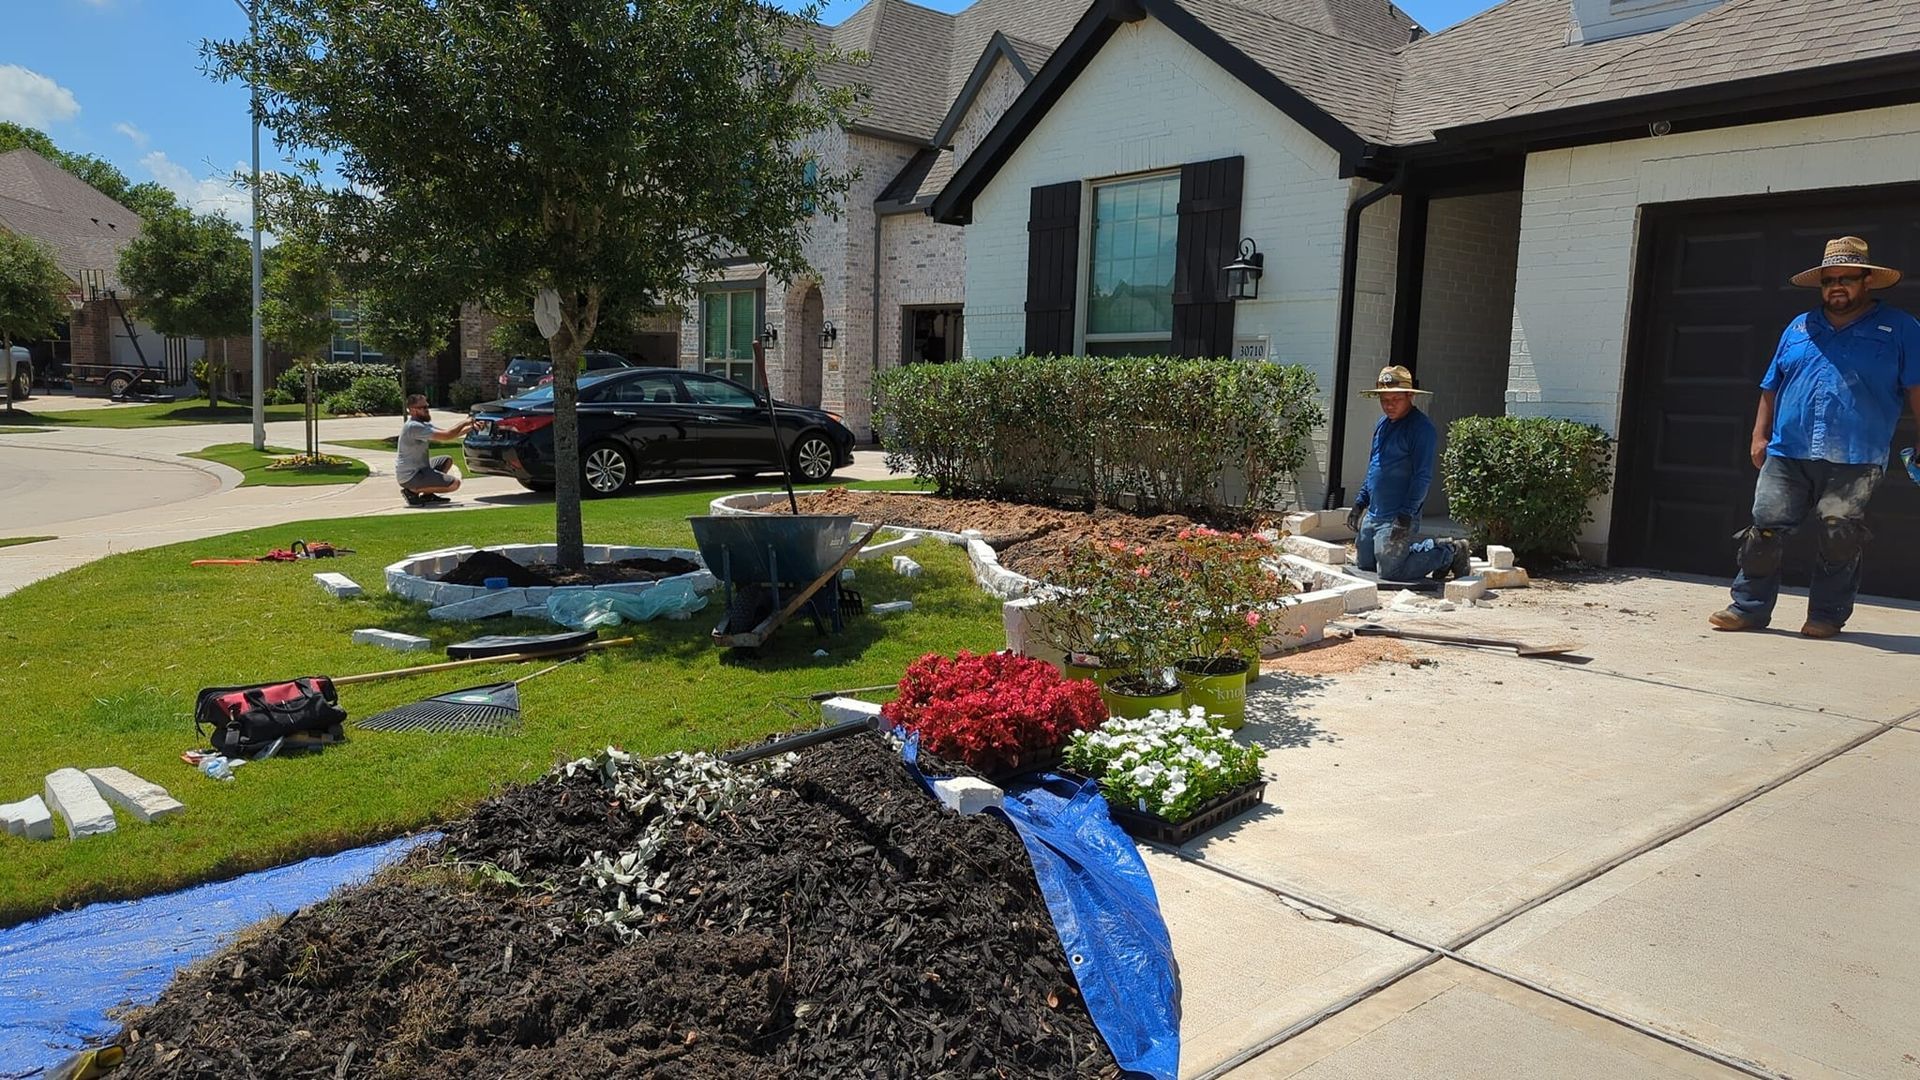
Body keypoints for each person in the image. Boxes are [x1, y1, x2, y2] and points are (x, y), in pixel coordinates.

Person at [1711, 236, 1920, 638]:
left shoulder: (1901, 329)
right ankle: (1748, 608)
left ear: (1867, 281)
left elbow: (1917, 389)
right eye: (1828, 280)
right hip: (1788, 451)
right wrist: (1759, 436)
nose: (1836, 287)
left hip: (1857, 456)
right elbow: (1771, 385)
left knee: (1838, 531)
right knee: (1765, 529)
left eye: (1846, 278)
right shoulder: (1799, 327)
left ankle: (1826, 614)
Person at [1346, 365, 1471, 582]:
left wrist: (1406, 515)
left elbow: (1422, 476)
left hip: (1398, 512)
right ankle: (1424, 548)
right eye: (1384, 400)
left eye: (1396, 399)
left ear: (1410, 396)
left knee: (1391, 573)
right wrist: (1359, 504)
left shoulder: (1421, 428)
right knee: (1365, 565)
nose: (1389, 405)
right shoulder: (1382, 424)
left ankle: (1450, 552)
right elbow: (1375, 467)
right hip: (1375, 513)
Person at [397, 393, 475, 507]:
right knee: (454, 484)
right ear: (412, 410)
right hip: (410, 476)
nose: (427, 410)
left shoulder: (422, 424)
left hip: (421, 469)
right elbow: (446, 435)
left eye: (427, 406)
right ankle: (411, 491)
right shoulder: (413, 427)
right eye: (423, 407)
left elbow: (448, 434)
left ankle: (428, 495)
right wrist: (465, 421)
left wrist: (472, 427)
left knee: (446, 460)